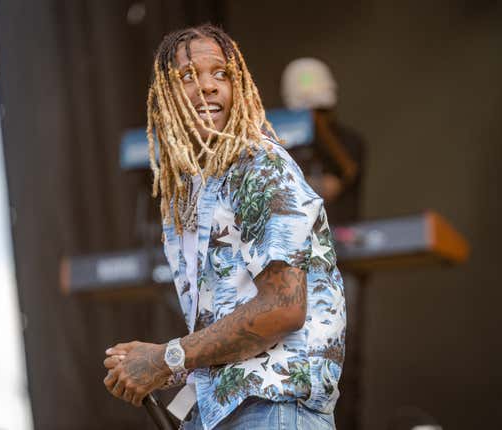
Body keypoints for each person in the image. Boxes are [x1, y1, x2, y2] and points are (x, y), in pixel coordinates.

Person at [102, 24, 346, 430]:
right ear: (164, 98)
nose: (209, 86)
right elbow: (226, 328)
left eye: (221, 74)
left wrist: (167, 358)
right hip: (226, 411)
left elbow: (283, 308)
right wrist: (159, 369)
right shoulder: (193, 193)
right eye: (188, 76)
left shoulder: (261, 165)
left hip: (274, 408)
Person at [280, 58, 366, 225]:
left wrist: (321, 130)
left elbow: (343, 178)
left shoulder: (350, 142)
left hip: (337, 235)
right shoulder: (281, 143)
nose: (314, 117)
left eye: (320, 111)